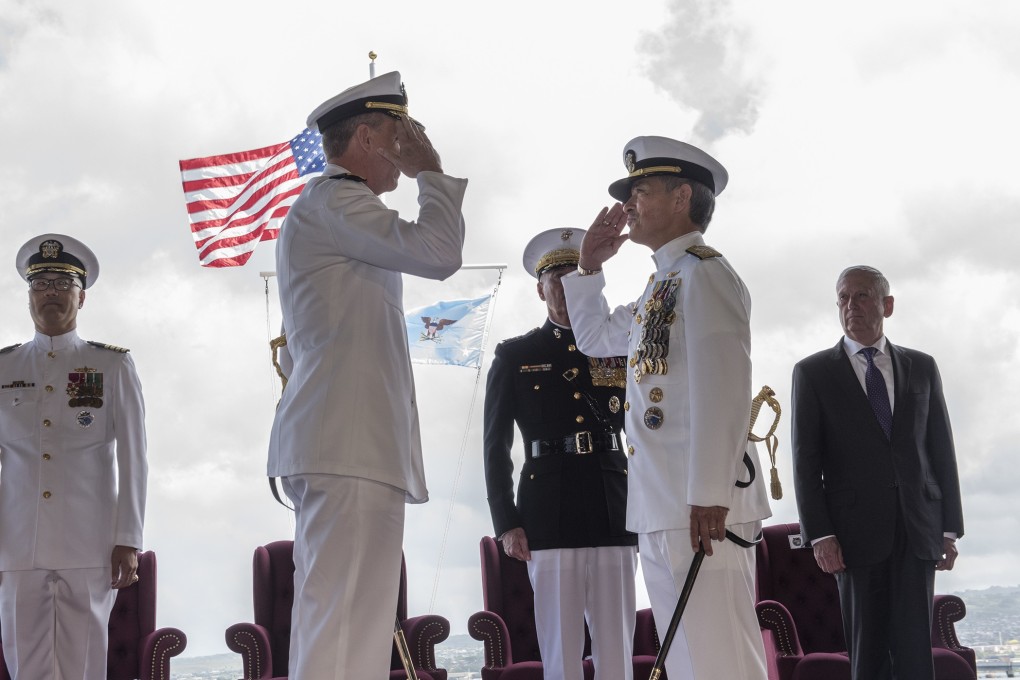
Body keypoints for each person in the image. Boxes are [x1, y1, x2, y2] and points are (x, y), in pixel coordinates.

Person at [267, 71, 467, 679]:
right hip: (346, 448)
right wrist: (430, 172)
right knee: (343, 625)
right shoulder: (337, 200)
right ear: (365, 138)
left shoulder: (338, 208)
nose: (409, 142)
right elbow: (439, 253)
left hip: (353, 447)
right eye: (398, 132)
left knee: (352, 626)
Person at [560, 136, 771, 680]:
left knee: (719, 652)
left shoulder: (706, 274)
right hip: (662, 502)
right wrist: (588, 269)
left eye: (640, 191)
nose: (628, 205)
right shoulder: (662, 283)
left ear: (682, 198)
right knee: (687, 658)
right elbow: (594, 337)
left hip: (700, 508)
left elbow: (723, 390)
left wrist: (709, 497)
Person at [791, 265, 964, 680]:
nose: (852, 306)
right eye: (844, 298)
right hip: (853, 536)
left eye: (863, 296)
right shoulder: (812, 373)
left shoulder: (922, 367)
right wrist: (821, 534)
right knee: (868, 657)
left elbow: (941, 449)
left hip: (918, 528)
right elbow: (805, 461)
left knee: (915, 655)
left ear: (887, 305)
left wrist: (949, 529)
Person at [483, 228, 638, 680]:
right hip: (547, 516)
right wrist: (506, 521)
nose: (567, 289)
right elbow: (496, 444)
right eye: (557, 280)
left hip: (614, 509)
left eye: (577, 279)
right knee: (561, 651)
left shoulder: (618, 349)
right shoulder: (516, 355)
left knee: (617, 650)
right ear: (540, 288)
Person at [0, 234, 147, 680]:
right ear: (28, 296)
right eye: (41, 283)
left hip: (90, 541)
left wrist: (128, 537)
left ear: (81, 297)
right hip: (17, 543)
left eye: (63, 284)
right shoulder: (5, 369)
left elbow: (135, 458)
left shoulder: (112, 366)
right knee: (24, 661)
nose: (51, 292)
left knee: (84, 661)